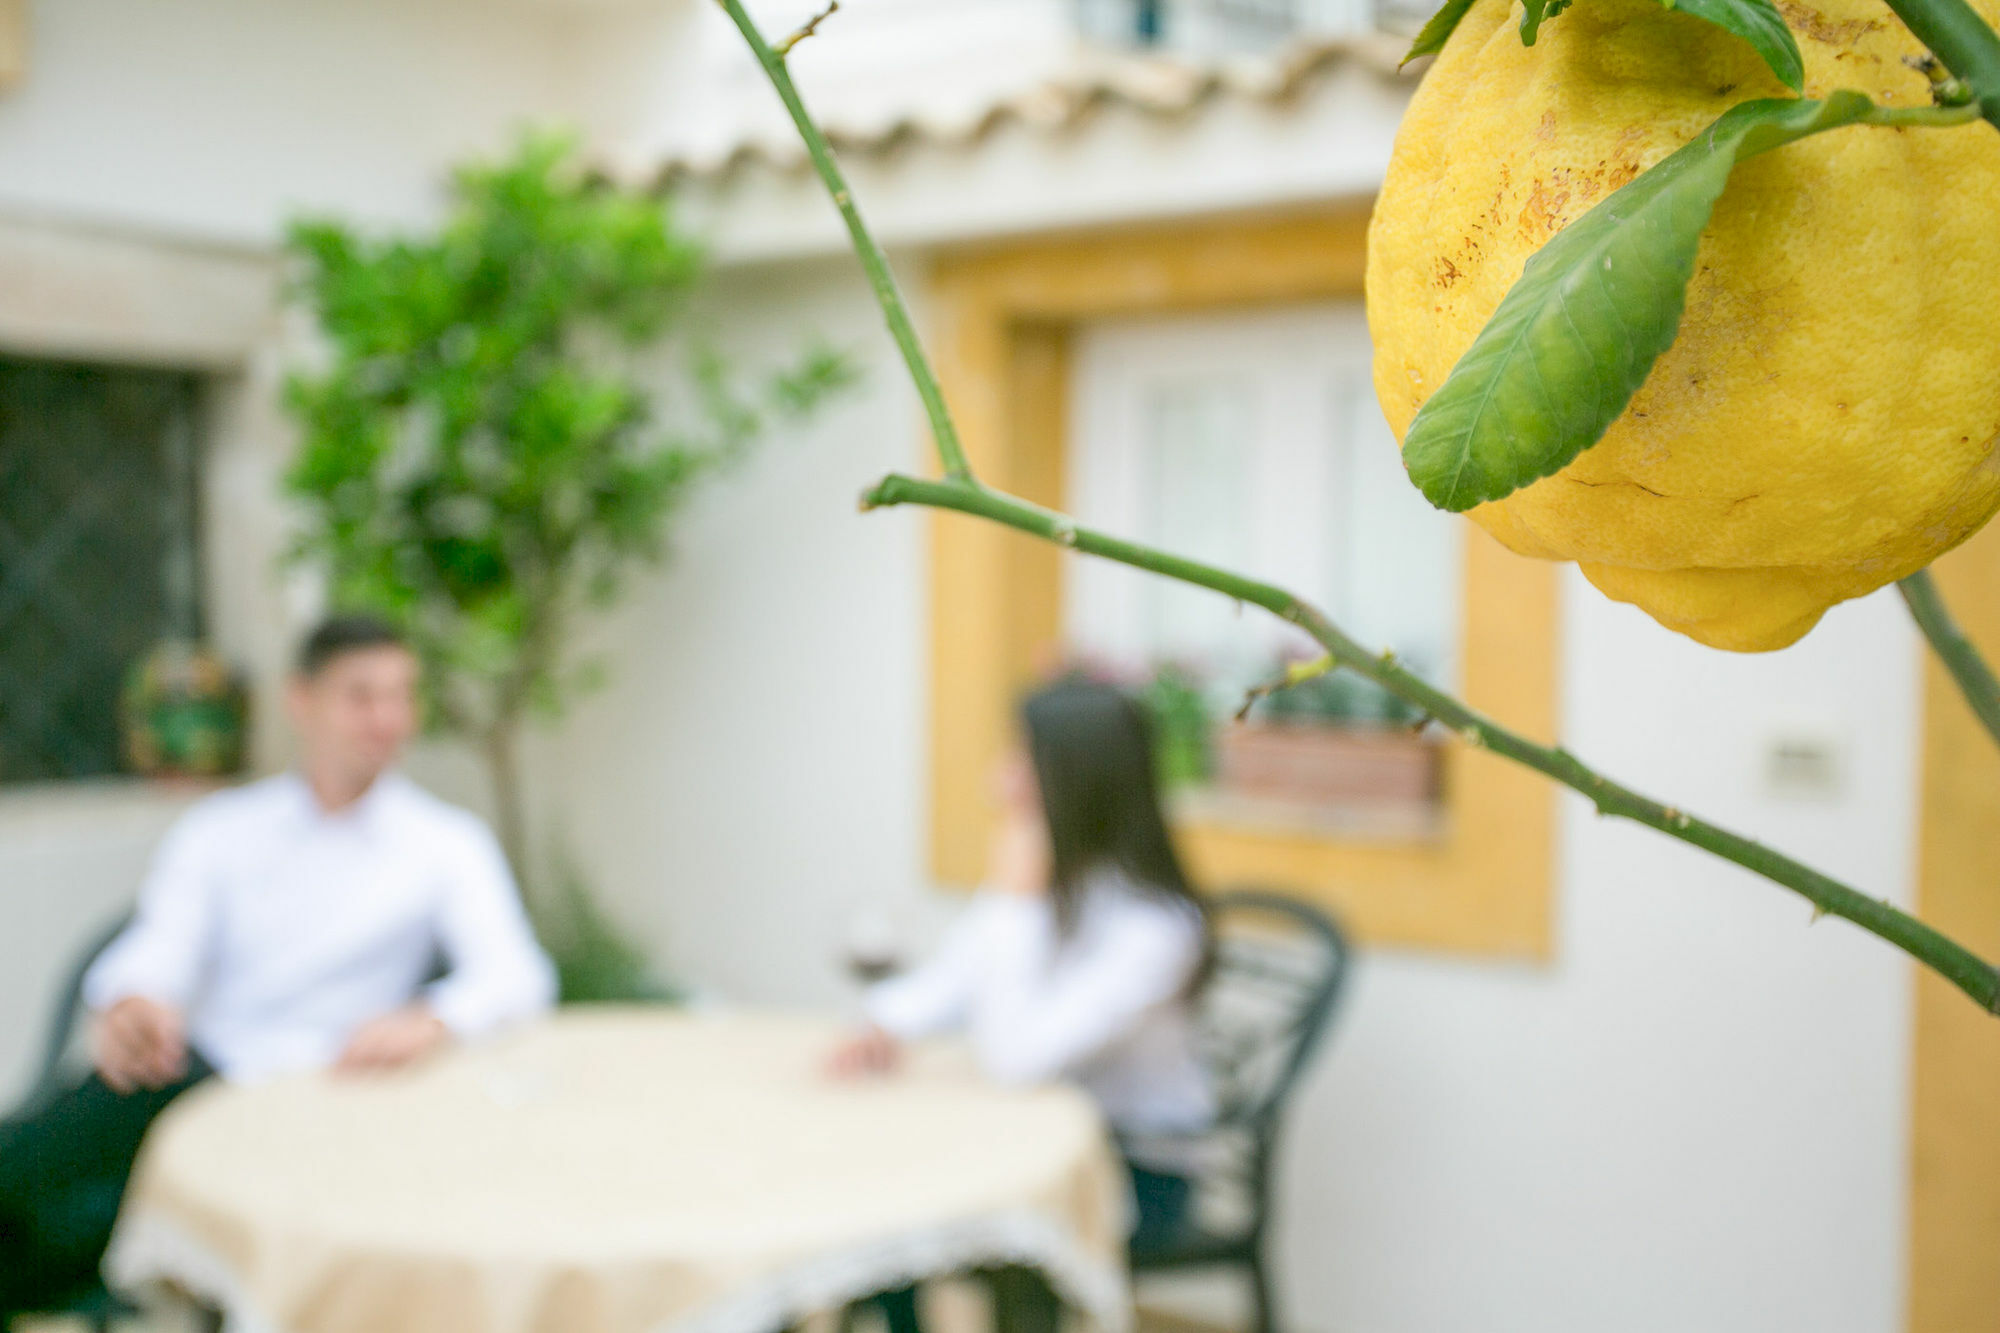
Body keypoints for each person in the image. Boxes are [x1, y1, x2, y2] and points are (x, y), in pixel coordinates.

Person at [0, 614, 556, 1324]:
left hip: (321, 1097)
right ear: (303, 700)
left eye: (401, 695)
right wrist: (137, 996)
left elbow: (516, 973)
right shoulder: (223, 828)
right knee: (17, 1173)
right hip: (186, 1068)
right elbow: (161, 940)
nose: (387, 718)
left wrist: (435, 1017)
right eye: (362, 695)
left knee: (87, 1239)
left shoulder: (445, 844)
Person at [829, 677, 1216, 1332]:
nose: (999, 781)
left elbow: (1016, 1060)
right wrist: (883, 1022)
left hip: (1131, 1169)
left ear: (1074, 780)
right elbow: (957, 977)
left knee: (897, 1193)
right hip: (1018, 1136)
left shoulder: (1155, 929)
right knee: (868, 1181)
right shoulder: (1058, 883)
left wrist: (1015, 899)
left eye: (1019, 761)